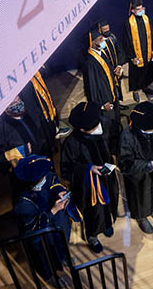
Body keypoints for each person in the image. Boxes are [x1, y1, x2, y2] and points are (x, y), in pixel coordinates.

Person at [60, 102, 119, 253]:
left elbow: (114, 139)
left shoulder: (104, 123)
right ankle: (92, 235)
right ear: (81, 129)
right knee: (93, 210)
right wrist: (88, 169)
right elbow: (66, 170)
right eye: (92, 128)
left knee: (110, 200)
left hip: (107, 177)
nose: (97, 128)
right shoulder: (72, 143)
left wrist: (114, 155)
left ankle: (106, 224)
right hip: (88, 185)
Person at [13, 155, 76, 287]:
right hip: (45, 237)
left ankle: (63, 258)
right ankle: (52, 277)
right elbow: (33, 227)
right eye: (42, 177)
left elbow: (54, 182)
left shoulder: (47, 176)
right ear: (34, 181)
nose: (45, 178)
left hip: (59, 224)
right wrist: (53, 210)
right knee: (47, 258)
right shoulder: (24, 202)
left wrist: (60, 192)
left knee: (62, 244)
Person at [118, 102, 153, 234]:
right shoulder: (127, 137)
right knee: (139, 197)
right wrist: (146, 165)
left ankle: (151, 208)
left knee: (152, 190)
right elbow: (125, 164)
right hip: (137, 176)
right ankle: (141, 216)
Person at [83, 26, 123, 157]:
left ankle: (117, 145)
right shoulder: (90, 63)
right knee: (107, 127)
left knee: (116, 121)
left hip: (111, 94)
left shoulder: (102, 53)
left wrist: (117, 69)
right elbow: (92, 88)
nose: (103, 40)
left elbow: (109, 71)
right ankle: (109, 151)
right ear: (92, 42)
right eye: (100, 39)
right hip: (104, 101)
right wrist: (101, 104)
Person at [20, 68, 60, 159]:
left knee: (50, 136)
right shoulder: (24, 83)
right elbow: (31, 106)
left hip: (46, 112)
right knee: (44, 143)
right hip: (39, 119)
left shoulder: (34, 72)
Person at [123, 0, 153, 102]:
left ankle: (146, 86)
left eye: (142, 8)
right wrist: (132, 56)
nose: (141, 10)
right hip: (135, 54)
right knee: (136, 73)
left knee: (146, 70)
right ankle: (135, 90)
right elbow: (126, 41)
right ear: (133, 10)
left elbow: (151, 34)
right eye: (138, 9)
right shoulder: (128, 23)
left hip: (147, 51)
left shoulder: (146, 18)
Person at [94, 20, 127, 110]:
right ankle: (112, 105)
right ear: (100, 30)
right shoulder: (97, 43)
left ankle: (117, 103)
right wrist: (112, 70)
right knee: (110, 89)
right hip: (107, 71)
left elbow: (119, 51)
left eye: (108, 29)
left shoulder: (112, 37)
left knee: (117, 87)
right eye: (105, 30)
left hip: (116, 68)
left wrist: (119, 65)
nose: (107, 31)